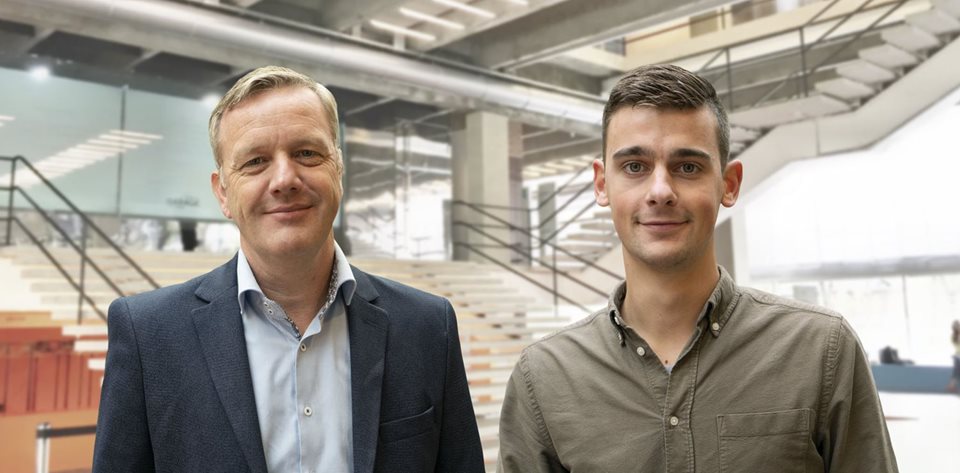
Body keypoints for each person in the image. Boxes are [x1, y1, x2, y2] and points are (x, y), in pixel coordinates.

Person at [497, 64, 898, 472]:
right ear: (602, 184)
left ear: (729, 184)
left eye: (687, 166)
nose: (660, 192)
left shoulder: (821, 351)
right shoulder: (543, 378)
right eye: (634, 166)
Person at [93, 66, 484, 473]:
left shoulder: (426, 327)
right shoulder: (148, 336)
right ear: (223, 193)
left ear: (339, 169)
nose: (284, 179)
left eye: (307, 153)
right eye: (256, 161)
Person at [949, 320, 960, 392]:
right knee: (956, 372)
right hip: (958, 355)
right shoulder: (957, 336)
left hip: (957, 355)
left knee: (956, 372)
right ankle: (951, 386)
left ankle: (951, 386)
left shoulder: (953, 336)